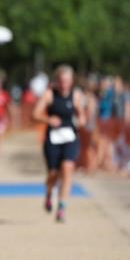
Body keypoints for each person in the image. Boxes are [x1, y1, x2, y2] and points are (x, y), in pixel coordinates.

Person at [33, 65, 87, 222]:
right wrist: (48, 119)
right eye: (62, 80)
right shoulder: (49, 95)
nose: (64, 84)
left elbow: (82, 114)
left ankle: (62, 207)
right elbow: (35, 114)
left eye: (67, 81)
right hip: (53, 139)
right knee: (53, 174)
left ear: (72, 81)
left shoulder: (76, 95)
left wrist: (81, 120)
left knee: (68, 168)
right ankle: (49, 192)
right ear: (57, 81)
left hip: (70, 137)